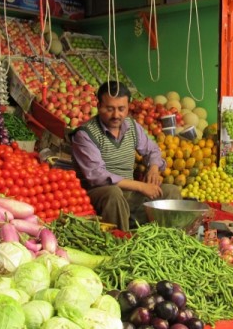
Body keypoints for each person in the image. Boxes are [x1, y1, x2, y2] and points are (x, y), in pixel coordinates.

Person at [70, 80, 181, 231]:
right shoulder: (85, 135)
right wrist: (141, 186)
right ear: (99, 107)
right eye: (110, 109)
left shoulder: (131, 127)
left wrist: (154, 168)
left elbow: (153, 150)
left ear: (128, 107)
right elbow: (98, 176)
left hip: (129, 192)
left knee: (171, 191)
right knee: (113, 193)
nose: (116, 115)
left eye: (121, 109)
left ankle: (167, 241)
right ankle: (121, 243)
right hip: (97, 194)